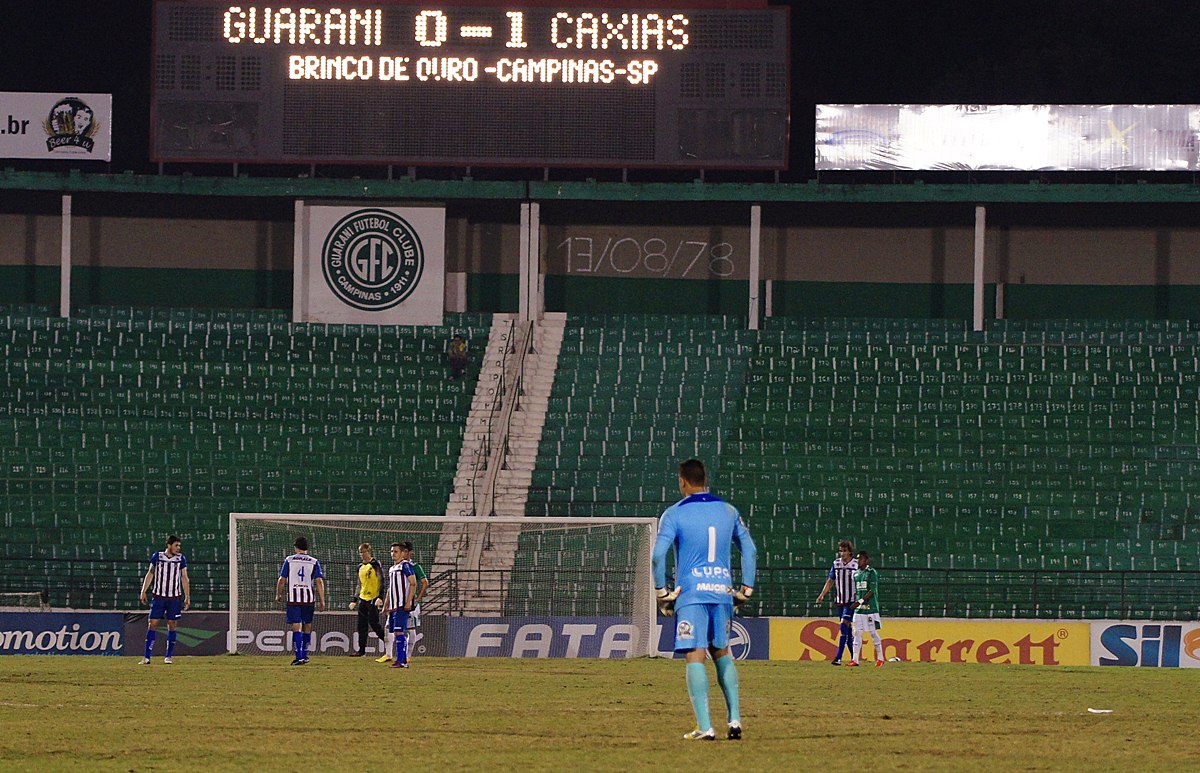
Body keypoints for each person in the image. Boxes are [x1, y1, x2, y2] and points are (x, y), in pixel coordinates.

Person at [652, 459, 757, 741]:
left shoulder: (674, 513)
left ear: (683, 481)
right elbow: (750, 550)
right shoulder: (728, 510)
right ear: (705, 479)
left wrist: (662, 592)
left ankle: (704, 727)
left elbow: (657, 555)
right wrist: (746, 589)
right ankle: (734, 720)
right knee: (721, 651)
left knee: (695, 653)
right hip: (722, 591)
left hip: (692, 594)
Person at [138, 534, 190, 665]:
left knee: (172, 625)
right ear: (169, 545)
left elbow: (184, 577)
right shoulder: (158, 557)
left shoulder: (180, 559)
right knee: (152, 624)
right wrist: (143, 590)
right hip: (159, 597)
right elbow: (150, 573)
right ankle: (147, 657)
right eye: (176, 545)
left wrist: (187, 596)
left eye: (179, 546)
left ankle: (168, 656)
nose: (178, 548)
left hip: (174, 597)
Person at [275, 536, 326, 666]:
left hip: (294, 598)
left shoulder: (289, 560)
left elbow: (282, 579)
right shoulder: (314, 561)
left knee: (296, 625)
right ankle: (305, 654)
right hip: (308, 598)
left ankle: (299, 657)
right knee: (307, 625)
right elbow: (319, 581)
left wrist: (278, 594)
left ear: (296, 547)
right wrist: (322, 600)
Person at [815, 540, 858, 665]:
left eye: (844, 551)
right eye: (841, 551)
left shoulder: (855, 564)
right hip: (840, 601)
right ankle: (854, 658)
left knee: (843, 626)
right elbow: (830, 580)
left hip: (851, 601)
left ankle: (838, 657)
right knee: (848, 631)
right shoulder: (836, 564)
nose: (842, 553)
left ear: (850, 552)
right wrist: (822, 594)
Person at [846, 550, 884, 668]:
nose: (858, 561)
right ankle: (855, 659)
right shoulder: (856, 574)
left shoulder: (871, 573)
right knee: (857, 633)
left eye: (861, 559)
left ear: (866, 560)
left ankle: (880, 658)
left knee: (873, 633)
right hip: (859, 609)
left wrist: (860, 601)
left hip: (870, 608)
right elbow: (857, 591)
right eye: (857, 559)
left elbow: (872, 590)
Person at [381, 542, 416, 669]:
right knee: (396, 633)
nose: (393, 554)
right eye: (391, 551)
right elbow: (391, 588)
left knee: (399, 632)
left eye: (395, 551)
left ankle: (402, 661)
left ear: (403, 553)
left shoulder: (405, 566)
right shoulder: (392, 569)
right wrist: (386, 605)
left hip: (402, 605)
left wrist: (408, 602)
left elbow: (413, 583)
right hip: (394, 607)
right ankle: (400, 660)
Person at [350, 543, 387, 658]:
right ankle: (361, 651)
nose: (362, 554)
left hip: (373, 598)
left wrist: (380, 597)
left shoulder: (375, 564)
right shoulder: (360, 567)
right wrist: (354, 600)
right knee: (361, 625)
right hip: (363, 598)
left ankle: (388, 642)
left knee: (374, 623)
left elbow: (381, 580)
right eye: (360, 552)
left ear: (369, 551)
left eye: (364, 552)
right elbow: (359, 584)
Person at [402, 542, 429, 659]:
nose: (405, 554)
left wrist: (417, 599)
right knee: (394, 628)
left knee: (410, 630)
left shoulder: (415, 566)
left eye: (407, 551)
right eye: (403, 551)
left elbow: (425, 583)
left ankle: (407, 656)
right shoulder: (398, 566)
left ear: (411, 553)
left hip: (411, 602)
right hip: (398, 601)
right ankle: (391, 654)